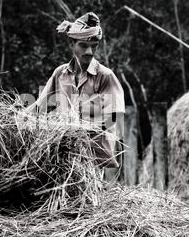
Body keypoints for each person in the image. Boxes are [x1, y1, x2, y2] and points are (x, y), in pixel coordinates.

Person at [30, 12, 125, 168]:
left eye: (94, 46)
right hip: (63, 156)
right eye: (83, 45)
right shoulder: (60, 74)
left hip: (95, 159)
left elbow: (112, 118)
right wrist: (15, 118)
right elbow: (39, 108)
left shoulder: (105, 77)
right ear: (71, 44)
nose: (89, 51)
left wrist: (76, 133)